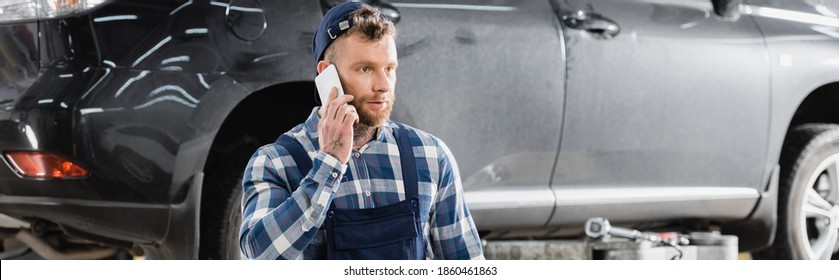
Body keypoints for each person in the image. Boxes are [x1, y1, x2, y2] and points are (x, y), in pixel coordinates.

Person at [238, 2, 484, 260]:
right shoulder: (276, 162)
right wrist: (329, 164)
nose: (383, 85)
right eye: (365, 69)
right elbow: (260, 256)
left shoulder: (431, 156)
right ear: (326, 74)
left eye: (389, 69)